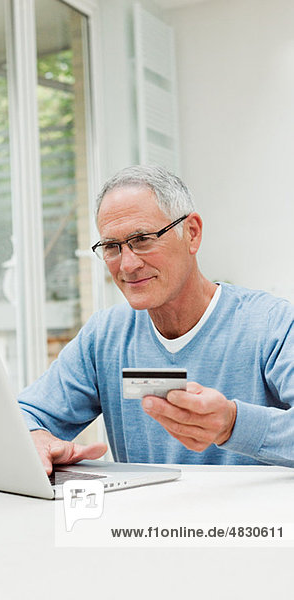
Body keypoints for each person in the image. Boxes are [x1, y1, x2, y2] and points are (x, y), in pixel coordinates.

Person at [18, 164, 294, 474]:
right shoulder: (105, 336)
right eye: (112, 247)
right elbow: (24, 413)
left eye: (144, 239)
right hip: (140, 522)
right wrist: (34, 437)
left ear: (191, 233)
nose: (128, 264)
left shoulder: (272, 324)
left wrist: (231, 424)